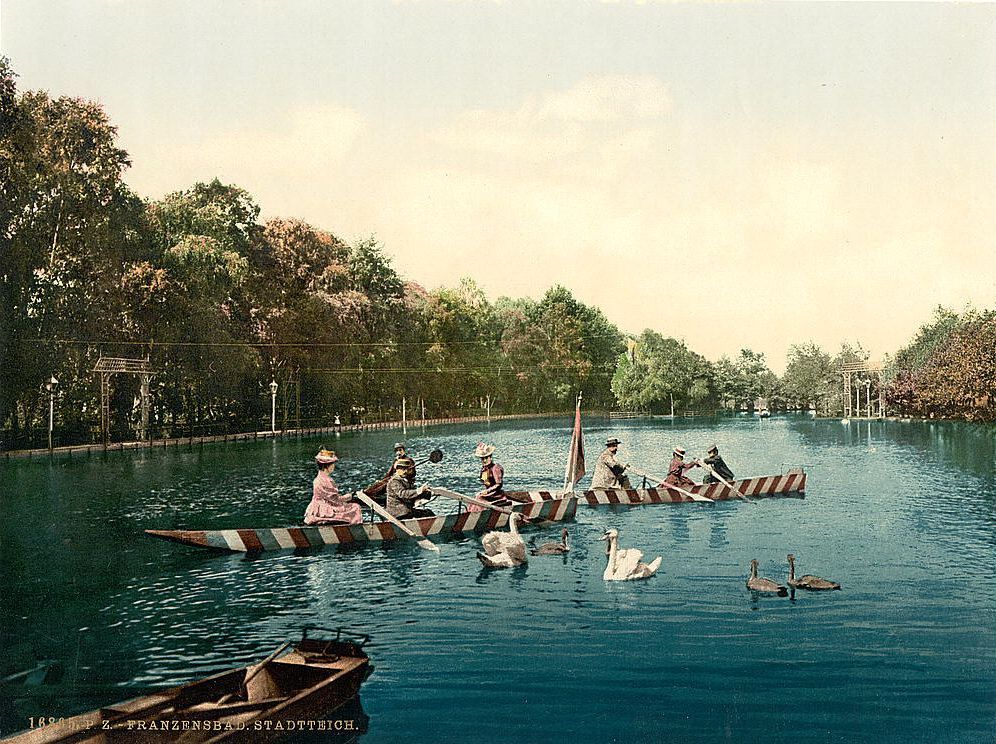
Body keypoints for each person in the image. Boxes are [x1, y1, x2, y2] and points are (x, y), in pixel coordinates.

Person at [303, 448, 362, 525]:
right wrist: (350, 496)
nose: (333, 466)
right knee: (356, 507)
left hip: (316, 508)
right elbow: (335, 499)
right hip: (326, 509)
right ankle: (355, 529)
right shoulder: (327, 481)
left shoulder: (317, 479)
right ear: (326, 466)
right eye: (332, 464)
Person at [469, 442, 511, 512]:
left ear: (490, 457)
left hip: (496, 495)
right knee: (475, 498)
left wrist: (486, 491)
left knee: (479, 497)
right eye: (482, 459)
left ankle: (479, 514)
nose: (484, 460)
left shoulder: (495, 468)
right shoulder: (484, 469)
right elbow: (486, 482)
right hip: (489, 494)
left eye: (486, 458)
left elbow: (498, 484)